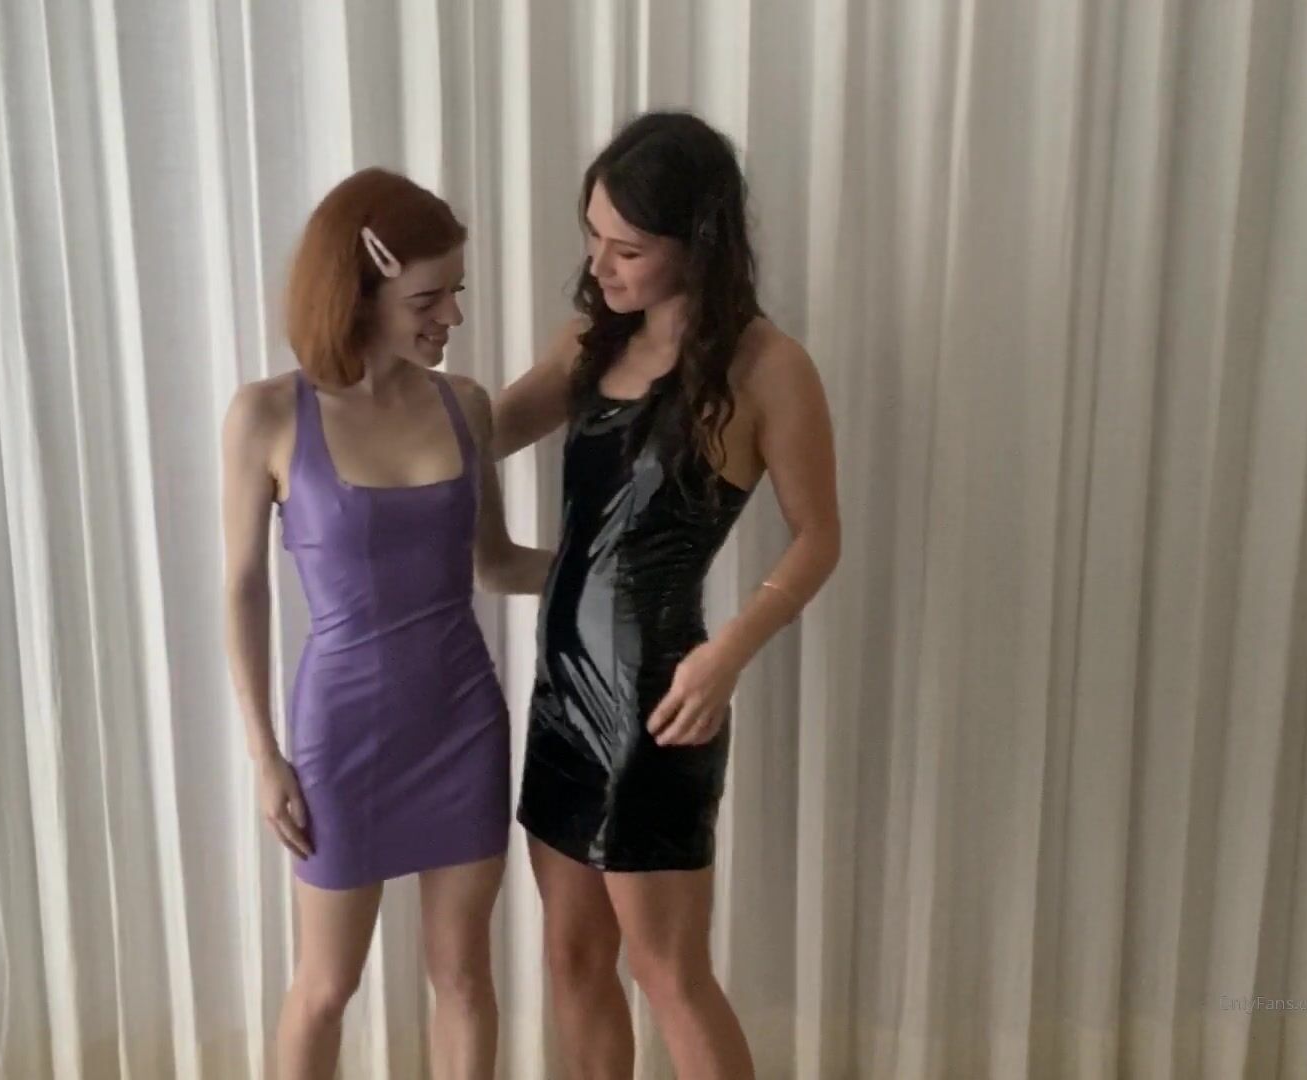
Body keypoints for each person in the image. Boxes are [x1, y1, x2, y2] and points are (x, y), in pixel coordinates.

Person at [492, 111, 842, 1079]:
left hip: (660, 699)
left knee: (667, 971)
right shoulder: (588, 342)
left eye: (628, 249)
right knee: (570, 959)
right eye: (593, 237)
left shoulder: (769, 368)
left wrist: (729, 653)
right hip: (559, 696)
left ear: (701, 243)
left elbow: (819, 536)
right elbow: (472, 436)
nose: (599, 265)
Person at [221, 168, 550, 1080]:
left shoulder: (464, 404)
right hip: (343, 732)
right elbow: (242, 589)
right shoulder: (266, 415)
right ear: (358, 293)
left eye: (456, 292)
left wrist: (611, 572)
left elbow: (495, 563)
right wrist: (264, 755)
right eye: (427, 299)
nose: (452, 316)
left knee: (465, 977)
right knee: (326, 987)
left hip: (462, 721)